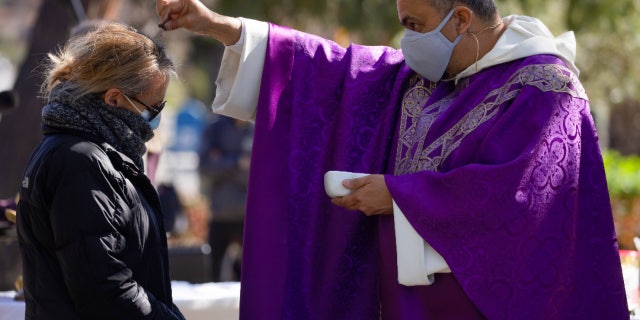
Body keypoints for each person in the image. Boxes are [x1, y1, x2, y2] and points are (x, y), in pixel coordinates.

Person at [156, 0, 629, 319]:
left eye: (415, 25)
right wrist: (218, 25)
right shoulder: (426, 75)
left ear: (461, 19)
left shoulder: (546, 87)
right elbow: (331, 68)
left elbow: (523, 200)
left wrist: (400, 196)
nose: (407, 41)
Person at [16, 22, 186, 319]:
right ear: (114, 99)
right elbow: (104, 287)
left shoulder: (92, 154)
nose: (155, 119)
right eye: (154, 108)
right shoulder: (78, 161)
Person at [198, 114, 253, 282]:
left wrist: (223, 162)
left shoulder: (257, 129)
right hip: (220, 213)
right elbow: (205, 167)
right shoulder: (215, 128)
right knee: (215, 276)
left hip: (248, 214)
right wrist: (237, 162)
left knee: (249, 278)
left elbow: (261, 174)